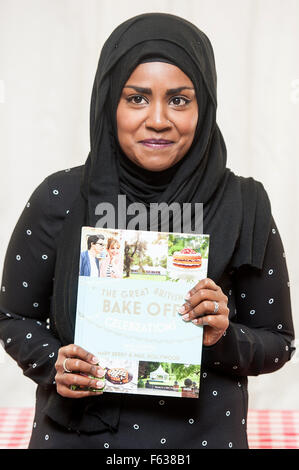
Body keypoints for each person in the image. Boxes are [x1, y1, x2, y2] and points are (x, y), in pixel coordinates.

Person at [0, 13, 295, 449]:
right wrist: (53, 362)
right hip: (77, 437)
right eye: (137, 98)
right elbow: (13, 316)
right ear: (108, 103)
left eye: (179, 100)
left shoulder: (244, 205)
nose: (158, 119)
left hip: (201, 441)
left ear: (205, 106)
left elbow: (279, 342)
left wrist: (221, 336)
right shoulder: (61, 198)